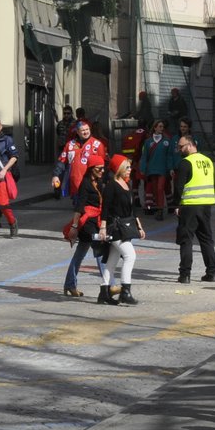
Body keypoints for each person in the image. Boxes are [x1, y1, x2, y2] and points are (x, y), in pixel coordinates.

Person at [100, 155, 146, 305]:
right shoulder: (111, 185)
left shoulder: (127, 185)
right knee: (130, 255)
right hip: (115, 227)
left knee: (112, 261)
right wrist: (103, 228)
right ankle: (125, 291)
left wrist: (139, 226)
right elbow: (105, 209)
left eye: (130, 167)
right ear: (119, 168)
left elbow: (133, 210)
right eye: (127, 167)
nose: (129, 170)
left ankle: (104, 293)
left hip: (125, 227)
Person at [175, 133, 215, 285]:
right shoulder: (208, 161)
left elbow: (179, 188)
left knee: (186, 240)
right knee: (206, 238)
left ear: (190, 145)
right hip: (206, 204)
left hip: (190, 205)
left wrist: (177, 205)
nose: (179, 149)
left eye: (181, 146)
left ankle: (185, 274)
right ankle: (211, 272)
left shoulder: (185, 163)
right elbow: (213, 184)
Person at [62, 159, 108, 298]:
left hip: (95, 222)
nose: (102, 171)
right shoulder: (85, 183)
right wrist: (75, 226)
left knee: (79, 255)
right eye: (99, 168)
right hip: (87, 224)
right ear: (91, 168)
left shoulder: (99, 182)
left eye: (103, 168)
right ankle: (108, 284)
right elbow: (79, 207)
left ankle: (70, 284)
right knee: (99, 250)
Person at [53, 118, 107, 201]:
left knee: (90, 209)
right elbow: (62, 162)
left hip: (92, 185)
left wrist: (103, 181)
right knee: (78, 208)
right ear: (77, 132)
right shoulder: (70, 145)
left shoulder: (97, 145)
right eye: (82, 130)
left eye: (87, 129)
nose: (85, 132)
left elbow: (103, 164)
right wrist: (56, 175)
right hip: (76, 184)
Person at [139, 120, 176, 219]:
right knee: (155, 190)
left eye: (162, 127)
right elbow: (144, 156)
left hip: (163, 170)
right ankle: (159, 208)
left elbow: (169, 156)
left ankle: (160, 210)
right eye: (159, 126)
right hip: (152, 170)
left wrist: (170, 168)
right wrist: (142, 169)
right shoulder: (148, 142)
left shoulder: (167, 141)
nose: (161, 128)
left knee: (160, 188)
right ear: (154, 127)